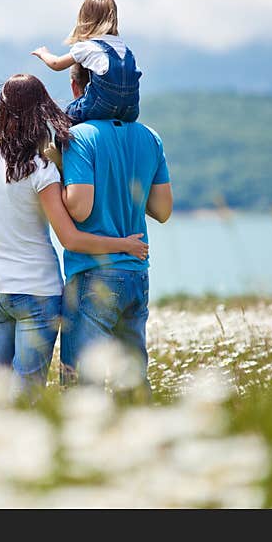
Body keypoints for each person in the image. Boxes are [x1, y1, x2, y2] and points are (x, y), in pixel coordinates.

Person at [0, 73, 148, 398]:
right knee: (27, 397)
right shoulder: (42, 169)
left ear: (2, 109)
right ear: (40, 111)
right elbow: (71, 238)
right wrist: (124, 245)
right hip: (37, 292)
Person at [59, 82, 173, 398]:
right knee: (132, 379)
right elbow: (162, 211)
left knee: (83, 383)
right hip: (137, 270)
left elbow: (80, 208)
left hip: (93, 272)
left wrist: (58, 173)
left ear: (76, 86)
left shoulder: (79, 137)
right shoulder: (150, 137)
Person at [31, 0, 141, 124]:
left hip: (102, 106)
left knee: (68, 115)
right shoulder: (125, 49)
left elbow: (56, 64)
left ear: (84, 21)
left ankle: (61, 144)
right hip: (130, 109)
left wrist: (43, 54)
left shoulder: (88, 46)